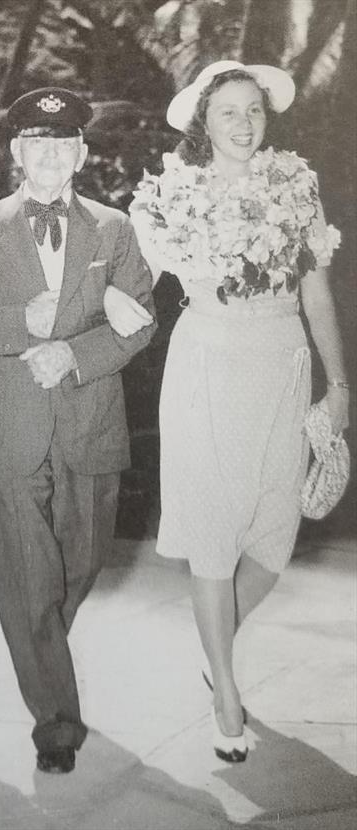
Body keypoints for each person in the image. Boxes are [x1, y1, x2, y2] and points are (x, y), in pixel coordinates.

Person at [124, 60, 349, 762]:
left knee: (275, 541)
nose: (245, 124)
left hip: (282, 367)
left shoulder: (296, 186)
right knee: (215, 533)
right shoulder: (169, 195)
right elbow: (130, 277)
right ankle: (225, 689)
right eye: (230, 112)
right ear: (204, 122)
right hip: (208, 366)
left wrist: (339, 386)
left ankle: (214, 642)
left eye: (254, 110)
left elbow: (317, 294)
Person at [0, 87, 157, 774]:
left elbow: (141, 317)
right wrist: (15, 325)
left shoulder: (113, 229)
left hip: (90, 415)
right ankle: (56, 722)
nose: (51, 155)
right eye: (38, 143)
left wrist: (75, 353)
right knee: (26, 572)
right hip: (7, 421)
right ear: (16, 152)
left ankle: (36, 639)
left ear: (82, 153)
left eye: (63, 143)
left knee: (81, 561)